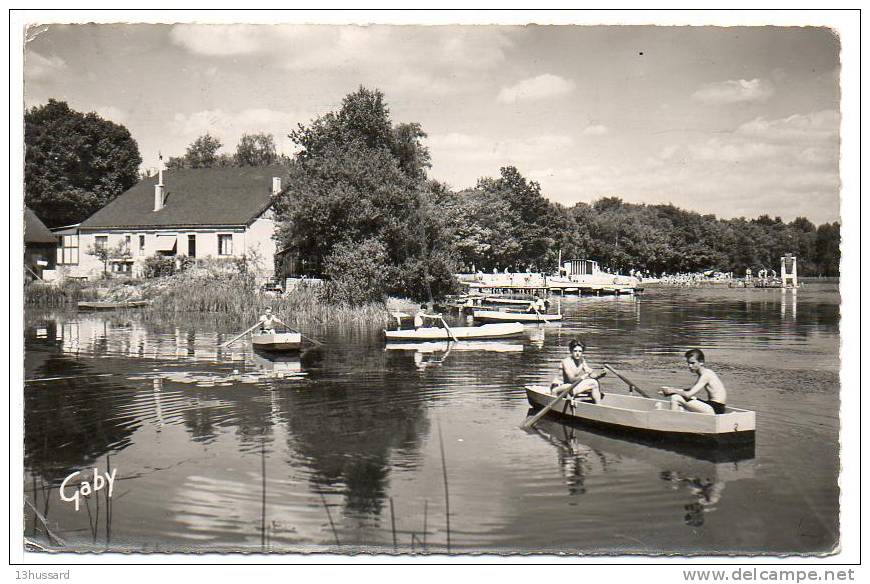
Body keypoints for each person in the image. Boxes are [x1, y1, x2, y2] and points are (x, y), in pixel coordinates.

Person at [661, 349, 727, 414]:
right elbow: (692, 390)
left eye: (693, 363)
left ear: (701, 362)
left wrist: (673, 391)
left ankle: (672, 421)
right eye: (688, 363)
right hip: (716, 406)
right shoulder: (705, 373)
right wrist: (671, 391)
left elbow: (688, 394)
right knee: (683, 398)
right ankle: (680, 415)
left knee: (675, 398)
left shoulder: (706, 375)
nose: (690, 366)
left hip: (716, 408)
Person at [550, 339, 606, 404]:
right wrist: (583, 376)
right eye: (575, 351)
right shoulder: (566, 362)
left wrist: (600, 375)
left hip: (571, 387)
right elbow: (571, 379)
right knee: (569, 386)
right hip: (558, 388)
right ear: (571, 351)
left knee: (594, 382)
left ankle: (598, 406)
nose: (577, 353)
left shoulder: (582, 360)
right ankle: (571, 400)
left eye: (580, 351)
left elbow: (591, 374)